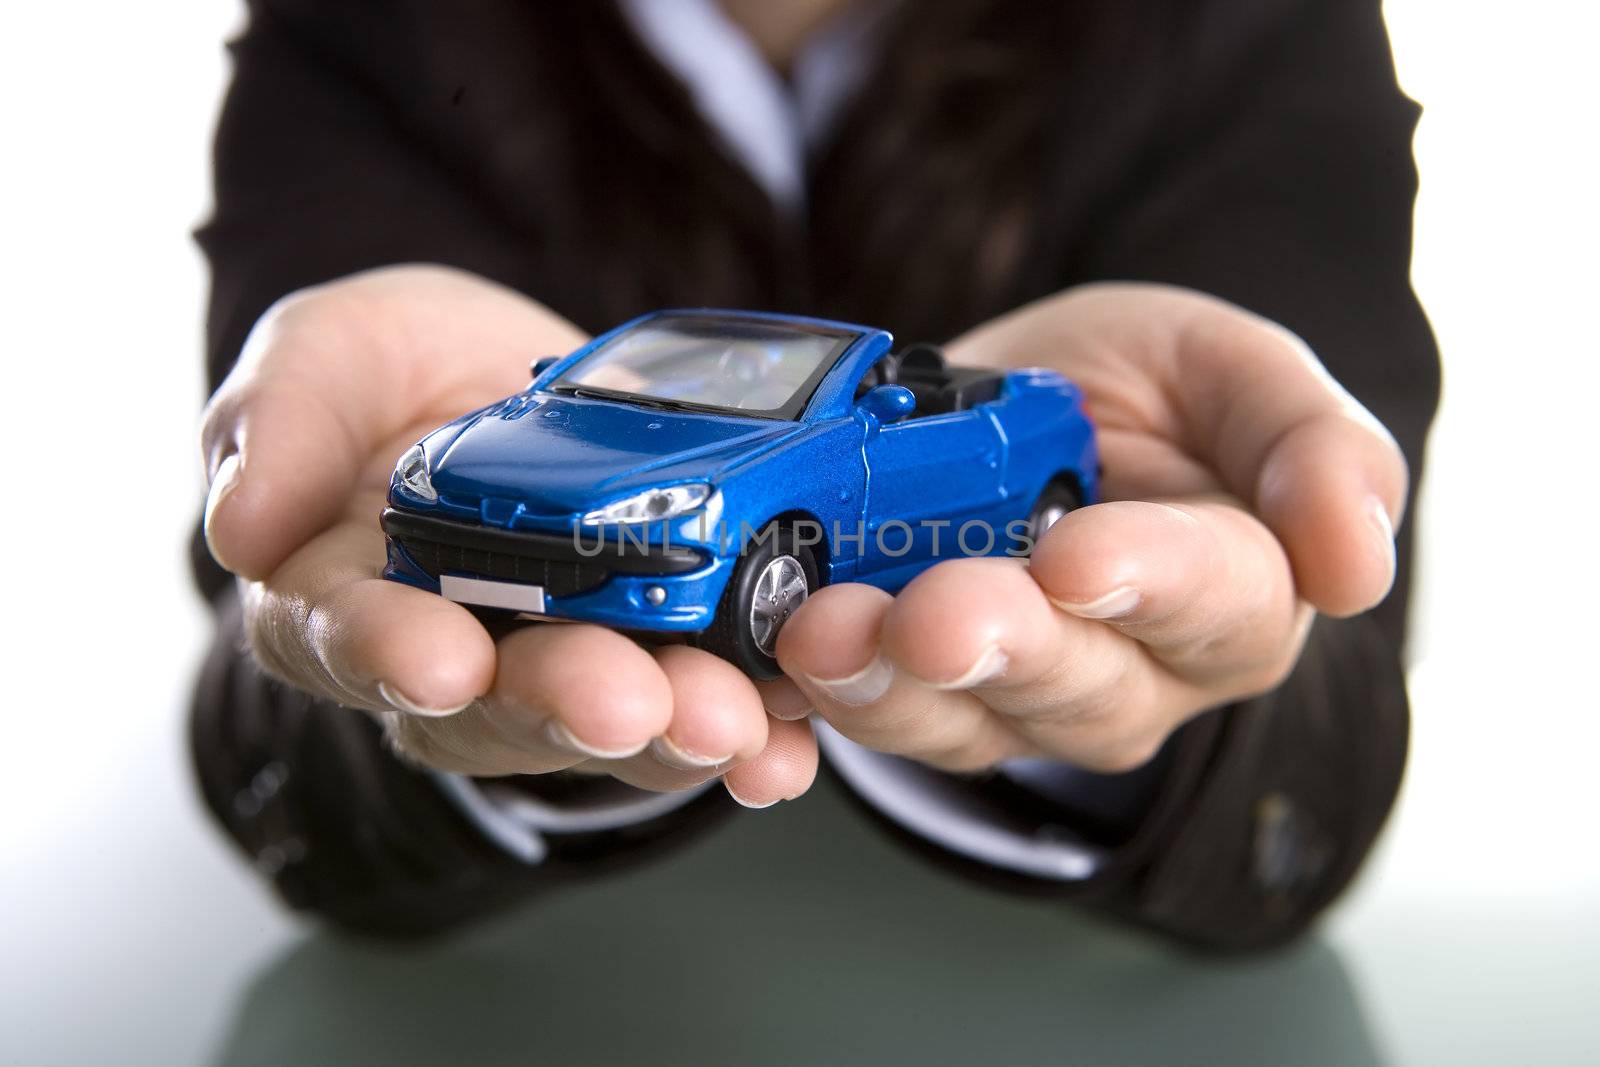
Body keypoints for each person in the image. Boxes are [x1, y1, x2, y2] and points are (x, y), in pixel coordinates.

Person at [191, 0, 1438, 949]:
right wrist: (461, 719)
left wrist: (1130, 689)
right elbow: (271, 677)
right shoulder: (364, 26)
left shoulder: (1249, 29)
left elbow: (1329, 709)